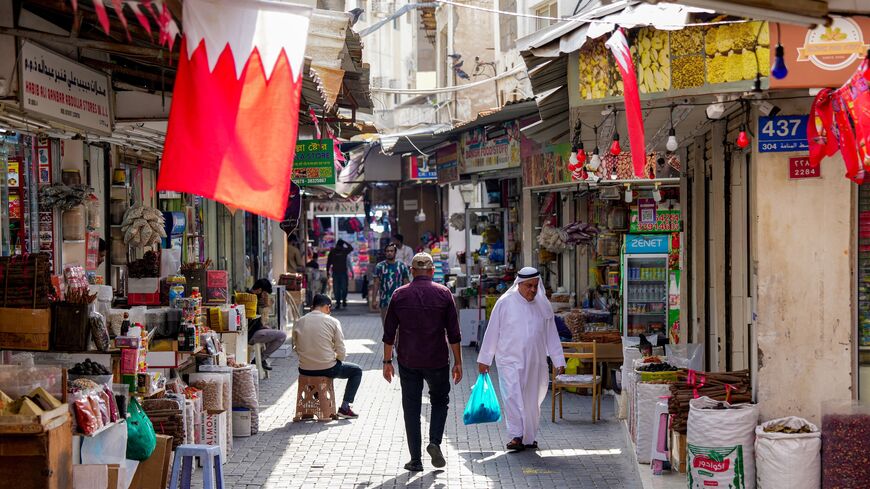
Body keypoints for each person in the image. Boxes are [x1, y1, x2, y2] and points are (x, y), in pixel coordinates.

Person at [383, 253, 462, 472]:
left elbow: (389, 333)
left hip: (409, 360)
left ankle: (415, 460)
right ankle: (435, 441)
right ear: (431, 271)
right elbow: (454, 333)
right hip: (437, 360)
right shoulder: (444, 293)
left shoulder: (399, 295)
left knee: (411, 408)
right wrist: (458, 363)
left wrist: (386, 361)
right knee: (439, 400)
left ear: (411, 271)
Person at [477, 267, 566, 451]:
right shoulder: (505, 303)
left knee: (532, 400)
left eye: (535, 286)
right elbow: (492, 331)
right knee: (512, 396)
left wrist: (558, 360)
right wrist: (485, 359)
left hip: (536, 361)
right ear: (519, 284)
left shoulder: (543, 305)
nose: (533, 290)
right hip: (509, 360)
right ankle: (516, 435)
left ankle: (529, 437)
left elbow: (551, 335)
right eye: (529, 286)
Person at [294, 294, 363, 419]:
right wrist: (337, 360)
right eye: (330, 308)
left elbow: (296, 347)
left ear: (312, 307)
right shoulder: (333, 321)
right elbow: (341, 350)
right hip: (327, 367)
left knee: (314, 374)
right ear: (326, 307)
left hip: (304, 369)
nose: (330, 311)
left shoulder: (299, 322)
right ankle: (345, 407)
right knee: (356, 370)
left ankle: (317, 404)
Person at [247, 279, 287, 371]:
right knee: (282, 335)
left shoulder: (254, 298)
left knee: (269, 329)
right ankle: (260, 359)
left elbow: (259, 321)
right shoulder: (251, 299)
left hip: (254, 331)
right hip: (250, 335)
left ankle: (261, 359)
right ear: (259, 290)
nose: (265, 297)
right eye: (265, 294)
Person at [373, 243, 410, 324]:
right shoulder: (379, 266)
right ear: (385, 253)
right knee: (386, 325)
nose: (389, 253)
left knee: (399, 326)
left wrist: (408, 299)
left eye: (391, 251)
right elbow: (376, 283)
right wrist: (374, 300)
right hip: (384, 301)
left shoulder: (402, 266)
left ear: (395, 253)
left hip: (399, 301)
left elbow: (406, 283)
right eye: (387, 251)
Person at [327, 239, 354, 309]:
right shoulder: (333, 252)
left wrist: (344, 241)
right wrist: (327, 272)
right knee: (337, 289)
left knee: (343, 288)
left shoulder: (344, 251)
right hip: (336, 273)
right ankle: (338, 303)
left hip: (343, 273)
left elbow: (351, 248)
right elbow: (328, 262)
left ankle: (344, 300)